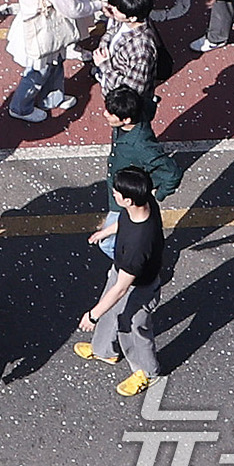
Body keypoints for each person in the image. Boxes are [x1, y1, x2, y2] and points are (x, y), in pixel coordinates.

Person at [73, 165, 164, 396]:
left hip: (138, 287)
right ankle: (104, 350)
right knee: (110, 309)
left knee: (131, 325)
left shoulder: (138, 245)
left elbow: (121, 289)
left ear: (129, 199)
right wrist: (105, 232)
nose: (114, 193)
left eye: (117, 192)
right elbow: (125, 221)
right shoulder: (145, 205)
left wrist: (91, 315)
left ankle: (147, 372)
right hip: (123, 273)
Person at [6, 0, 91, 124]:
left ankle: (52, 97)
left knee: (54, 63)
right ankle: (20, 107)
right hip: (42, 29)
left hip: (46, 25)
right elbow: (71, 7)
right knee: (38, 71)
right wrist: (96, 5)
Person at [90, 83, 182, 254]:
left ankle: (132, 269)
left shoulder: (142, 146)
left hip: (126, 197)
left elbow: (173, 172)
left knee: (106, 243)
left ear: (126, 120)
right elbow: (149, 107)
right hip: (123, 192)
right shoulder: (138, 112)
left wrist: (159, 193)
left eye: (111, 113)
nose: (105, 114)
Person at [93, 0, 162, 115]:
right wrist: (103, 47)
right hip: (110, 82)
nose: (113, 9)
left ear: (132, 17)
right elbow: (112, 32)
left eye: (118, 9)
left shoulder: (142, 50)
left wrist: (104, 65)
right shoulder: (127, 21)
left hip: (124, 107)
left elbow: (131, 91)